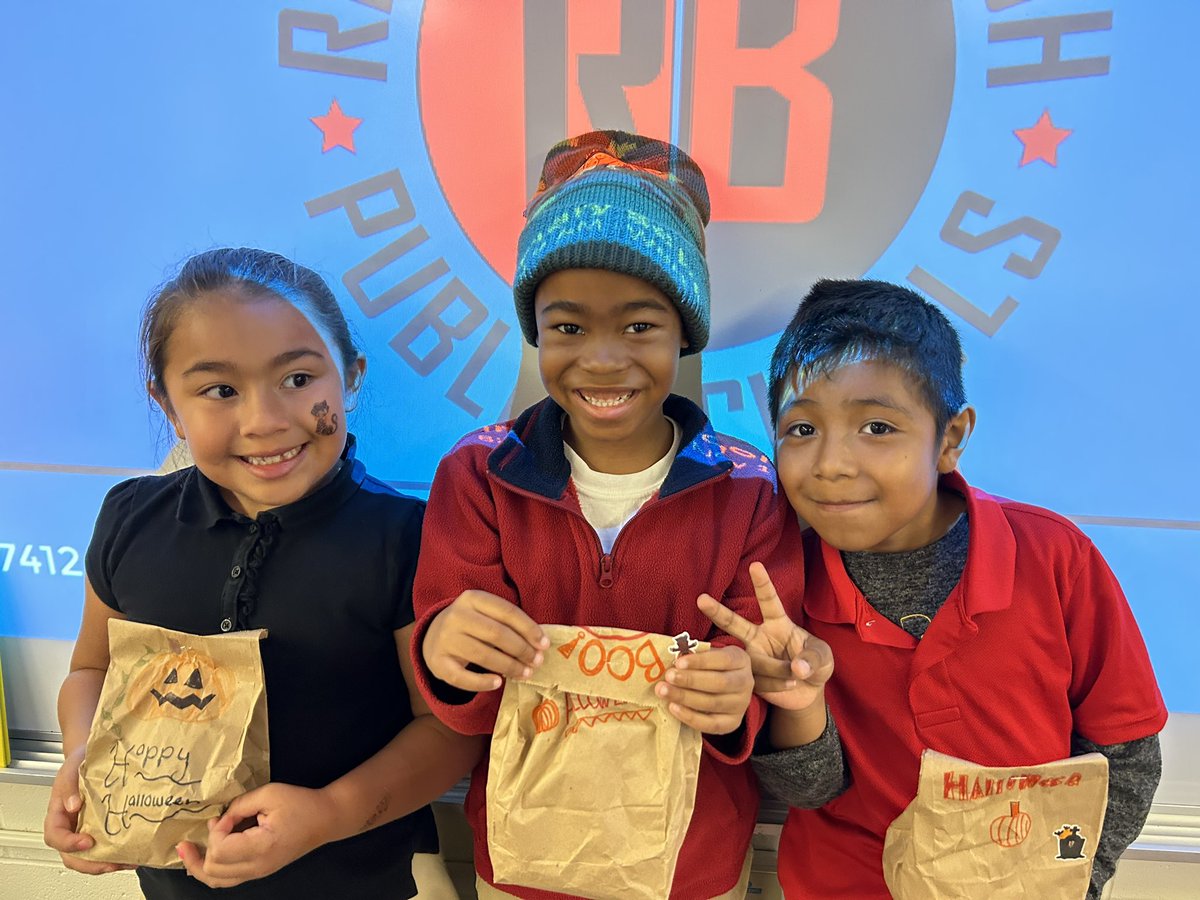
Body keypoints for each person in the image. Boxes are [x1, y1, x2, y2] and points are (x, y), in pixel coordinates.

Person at [408, 130, 809, 899]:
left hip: (689, 865)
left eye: (638, 326)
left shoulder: (751, 492)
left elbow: (762, 666)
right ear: (535, 332)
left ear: (683, 332)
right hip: (528, 860)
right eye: (567, 327)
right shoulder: (478, 477)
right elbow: (462, 707)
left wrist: (735, 696)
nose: (600, 358)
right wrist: (445, 654)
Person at [42, 248, 482, 899]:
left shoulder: (406, 539)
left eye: (299, 380)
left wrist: (329, 812)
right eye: (219, 390)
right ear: (167, 404)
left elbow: (447, 732)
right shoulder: (130, 518)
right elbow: (91, 672)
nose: (265, 421)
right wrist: (85, 757)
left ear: (350, 378)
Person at [710, 278, 1167, 899]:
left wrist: (1071, 880)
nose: (831, 464)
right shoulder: (782, 574)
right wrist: (799, 706)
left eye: (876, 427)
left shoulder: (1054, 558)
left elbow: (1127, 757)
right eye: (801, 430)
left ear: (950, 439)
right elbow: (809, 792)